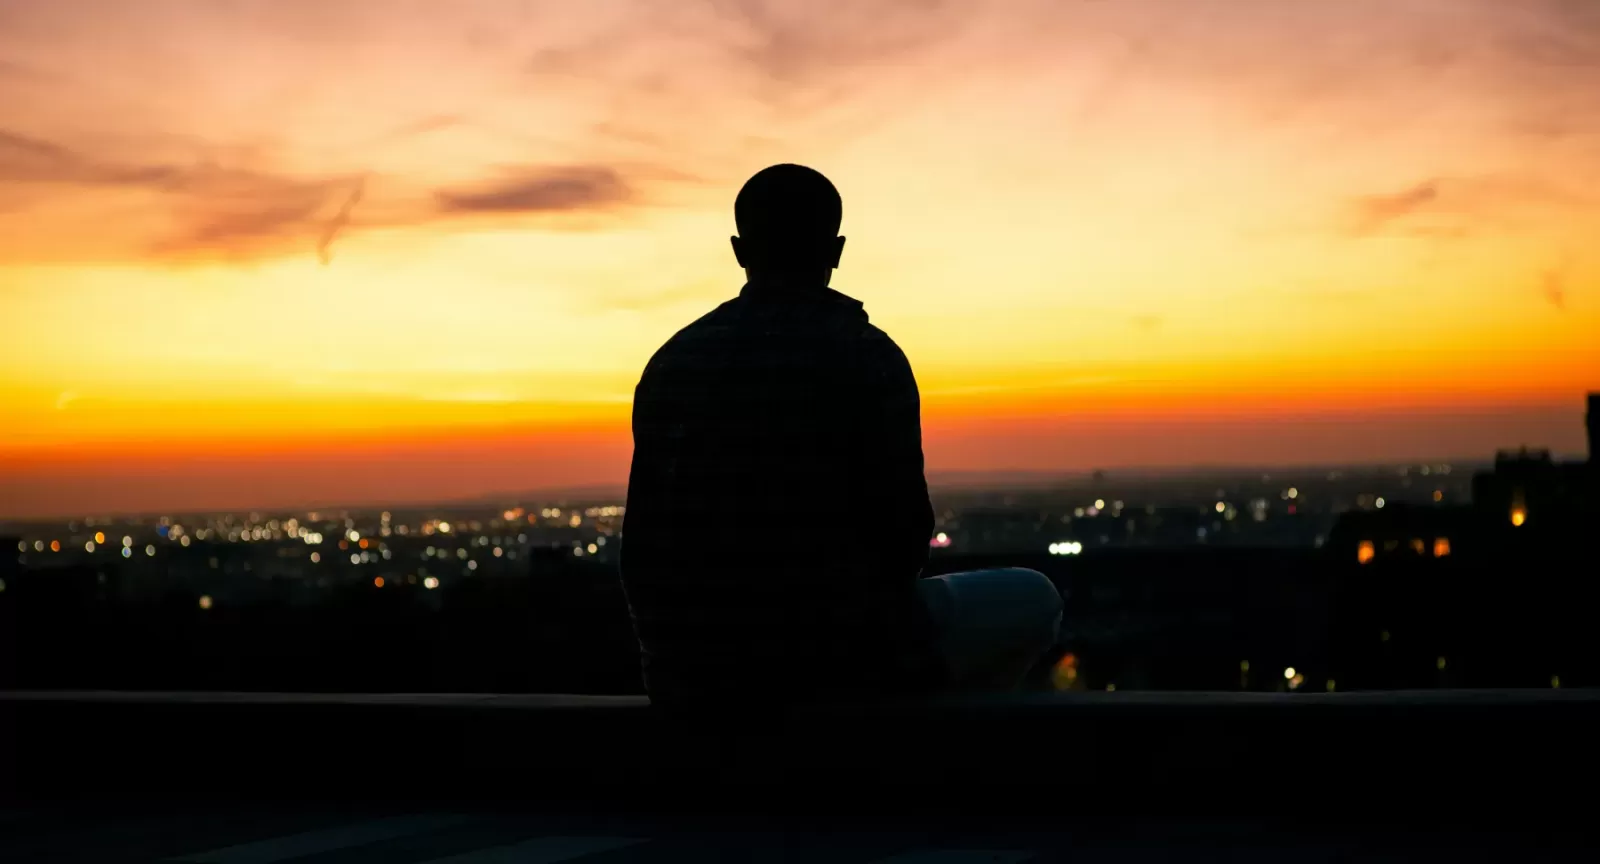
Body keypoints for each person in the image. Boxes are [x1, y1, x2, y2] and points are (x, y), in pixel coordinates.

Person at [621, 164, 1061, 708]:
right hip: (839, 661)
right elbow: (904, 537)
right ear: (836, 249)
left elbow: (640, 545)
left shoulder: (673, 362)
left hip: (689, 672)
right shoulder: (867, 355)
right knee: (1034, 597)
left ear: (739, 250)